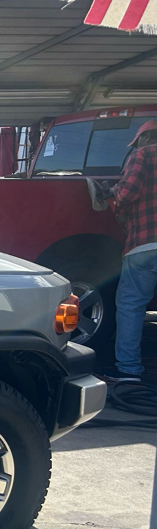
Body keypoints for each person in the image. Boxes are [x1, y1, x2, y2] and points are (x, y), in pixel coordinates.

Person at [104, 118, 157, 382]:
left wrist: (113, 193)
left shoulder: (143, 154)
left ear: (145, 138)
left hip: (146, 243)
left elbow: (127, 193)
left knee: (131, 305)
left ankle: (128, 370)